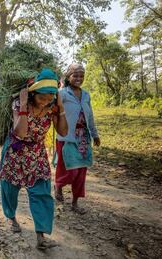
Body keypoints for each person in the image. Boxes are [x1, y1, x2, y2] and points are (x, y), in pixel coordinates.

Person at [0, 68, 68, 250]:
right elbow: (20, 133)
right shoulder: (19, 103)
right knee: (10, 188)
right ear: (32, 94)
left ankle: (41, 235)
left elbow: (63, 132)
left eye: (50, 97)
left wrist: (60, 109)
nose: (46, 101)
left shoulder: (52, 107)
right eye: (42, 97)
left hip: (37, 153)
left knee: (41, 192)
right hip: (16, 151)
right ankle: (11, 217)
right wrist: (22, 107)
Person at [54, 63, 100, 214]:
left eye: (81, 76)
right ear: (68, 77)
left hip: (83, 139)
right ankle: (58, 185)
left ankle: (75, 203)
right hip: (66, 138)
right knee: (67, 169)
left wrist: (95, 134)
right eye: (75, 75)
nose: (79, 78)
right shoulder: (62, 93)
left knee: (80, 173)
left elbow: (90, 116)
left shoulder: (86, 95)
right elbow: (53, 111)